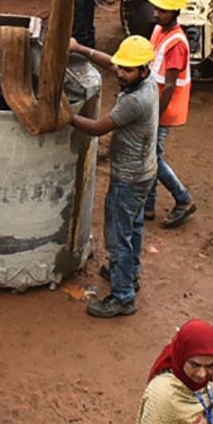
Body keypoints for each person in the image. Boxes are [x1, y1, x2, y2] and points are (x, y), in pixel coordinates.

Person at [66, 34, 162, 318]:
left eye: (127, 69)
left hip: (129, 179)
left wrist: (66, 115)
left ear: (143, 70)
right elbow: (113, 64)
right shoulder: (145, 80)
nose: (120, 72)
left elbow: (97, 127)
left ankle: (123, 297)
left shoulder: (135, 101)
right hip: (144, 172)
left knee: (118, 236)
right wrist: (80, 49)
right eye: (121, 67)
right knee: (133, 227)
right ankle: (130, 274)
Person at [142, 0, 198, 228]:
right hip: (156, 103)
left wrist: (155, 112)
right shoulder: (159, 30)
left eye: (162, 11)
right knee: (152, 154)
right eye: (157, 9)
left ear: (175, 12)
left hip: (164, 108)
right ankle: (148, 206)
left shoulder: (176, 43)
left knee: (154, 156)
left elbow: (171, 85)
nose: (157, 13)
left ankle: (183, 198)